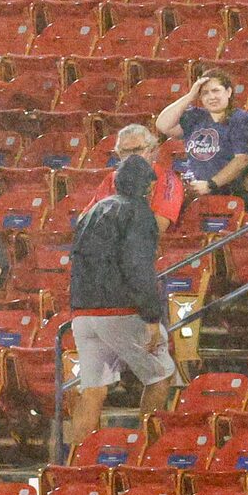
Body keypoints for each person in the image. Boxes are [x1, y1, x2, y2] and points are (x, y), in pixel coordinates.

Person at [62, 155, 175, 445]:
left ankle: (75, 468)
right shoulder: (139, 212)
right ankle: (145, 453)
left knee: (93, 391)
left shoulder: (92, 212)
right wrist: (151, 318)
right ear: (148, 187)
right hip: (120, 310)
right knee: (160, 377)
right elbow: (138, 268)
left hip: (83, 314)